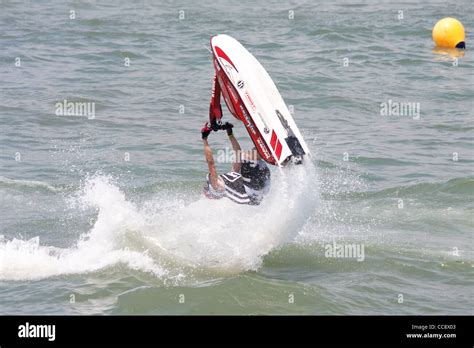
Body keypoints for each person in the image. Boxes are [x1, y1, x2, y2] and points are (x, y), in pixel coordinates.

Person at [201, 121, 271, 205]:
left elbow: (238, 154)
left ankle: (265, 150)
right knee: (246, 158)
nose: (212, 178)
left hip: (260, 188)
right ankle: (266, 150)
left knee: (244, 158)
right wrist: (204, 139)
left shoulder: (230, 178)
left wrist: (230, 134)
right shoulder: (219, 185)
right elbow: (210, 162)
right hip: (251, 196)